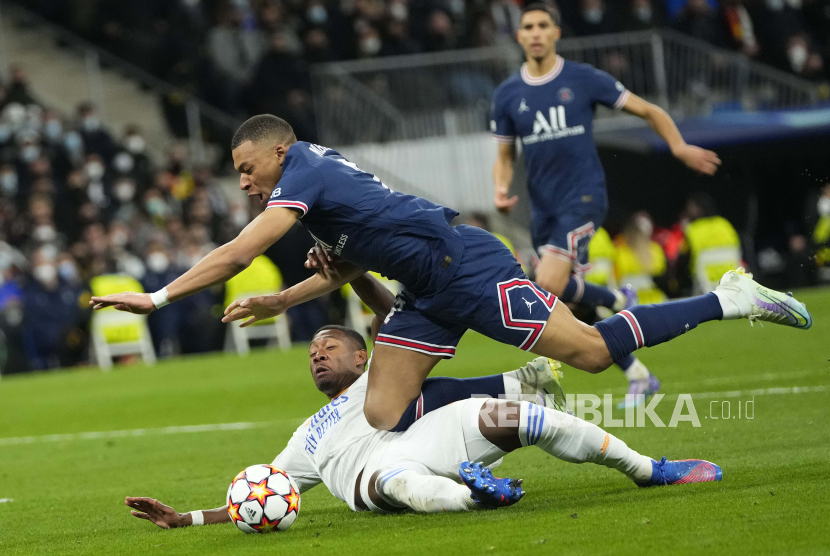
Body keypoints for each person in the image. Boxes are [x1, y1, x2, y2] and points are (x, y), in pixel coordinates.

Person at [90, 114, 812, 436]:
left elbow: (239, 250)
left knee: (593, 354)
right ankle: (510, 388)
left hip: (465, 269)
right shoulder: (314, 176)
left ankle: (726, 297)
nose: (246, 184)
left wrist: (158, 295)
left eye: (248, 170)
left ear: (277, 152)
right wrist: (284, 297)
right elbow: (356, 256)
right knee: (382, 412)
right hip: (426, 289)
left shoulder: (301, 176)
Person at [125, 322, 723, 527]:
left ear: (362, 358)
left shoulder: (381, 375)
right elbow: (262, 495)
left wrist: (351, 272)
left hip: (422, 437)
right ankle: (474, 498)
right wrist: (186, 518)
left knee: (527, 417)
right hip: (374, 475)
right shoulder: (303, 437)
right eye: (311, 352)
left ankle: (649, 470)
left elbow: (394, 318)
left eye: (328, 346)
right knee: (405, 485)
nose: (316, 354)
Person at [489, 4, 723, 401]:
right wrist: (500, 189)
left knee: (544, 283)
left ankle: (615, 302)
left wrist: (679, 147)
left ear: (556, 32)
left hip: (583, 198)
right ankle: (636, 367)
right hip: (542, 208)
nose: (535, 32)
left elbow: (648, 109)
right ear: (519, 36)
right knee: (557, 297)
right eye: (528, 26)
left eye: (543, 25)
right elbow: (505, 156)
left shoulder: (582, 78)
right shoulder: (508, 94)